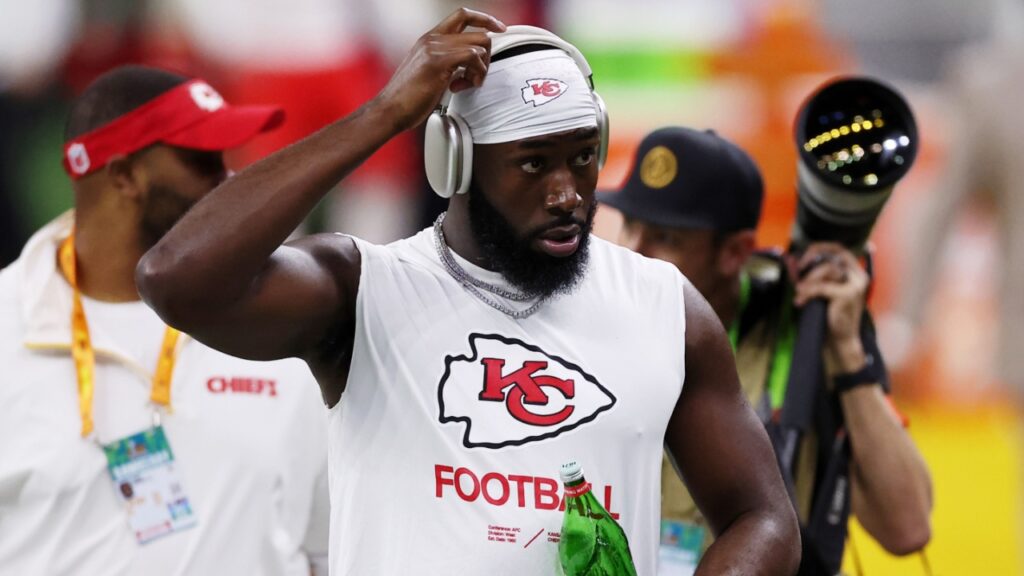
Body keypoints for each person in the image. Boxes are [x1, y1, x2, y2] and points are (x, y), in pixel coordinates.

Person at [136, 9, 800, 576]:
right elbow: (177, 277)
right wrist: (385, 113)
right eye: (533, 164)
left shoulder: (665, 306)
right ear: (452, 159)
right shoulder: (364, 291)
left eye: (582, 156)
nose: (568, 193)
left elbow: (763, 517)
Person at [0, 65, 330, 575]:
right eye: (203, 161)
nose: (232, 180)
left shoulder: (285, 319)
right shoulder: (7, 322)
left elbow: (336, 543)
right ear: (124, 176)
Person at [600, 126, 932, 573]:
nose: (635, 253)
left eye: (667, 239)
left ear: (734, 253)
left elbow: (906, 527)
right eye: (631, 225)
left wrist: (847, 352)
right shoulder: (601, 323)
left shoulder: (802, 328)